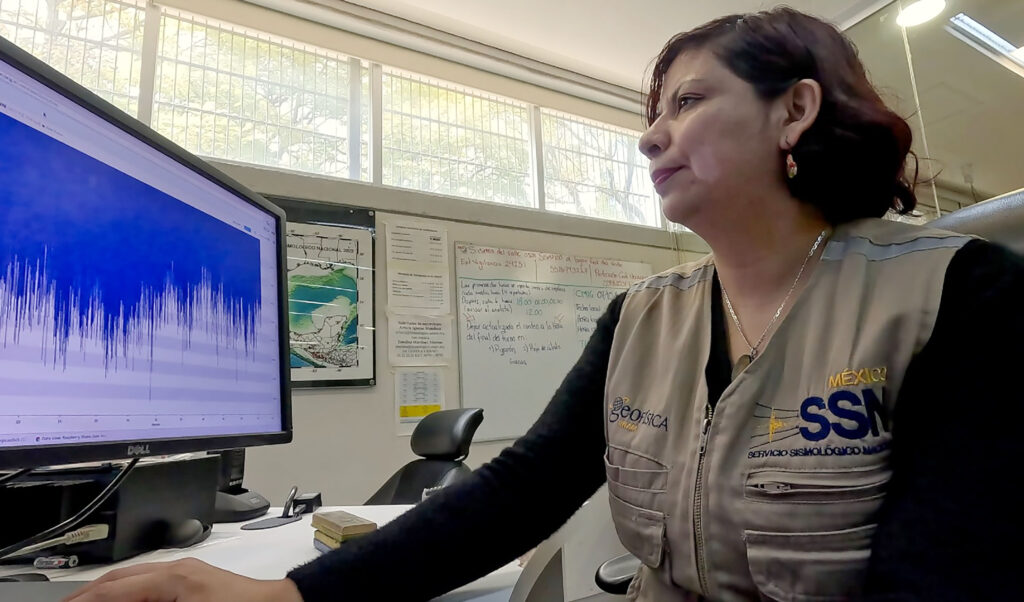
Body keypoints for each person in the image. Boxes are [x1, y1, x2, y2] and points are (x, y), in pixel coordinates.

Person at [66, 8, 1019, 602]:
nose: (652, 138)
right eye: (650, 115)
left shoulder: (958, 293)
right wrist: (289, 597)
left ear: (795, 111)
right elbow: (520, 491)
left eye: (687, 102)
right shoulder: (643, 316)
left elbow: (942, 578)